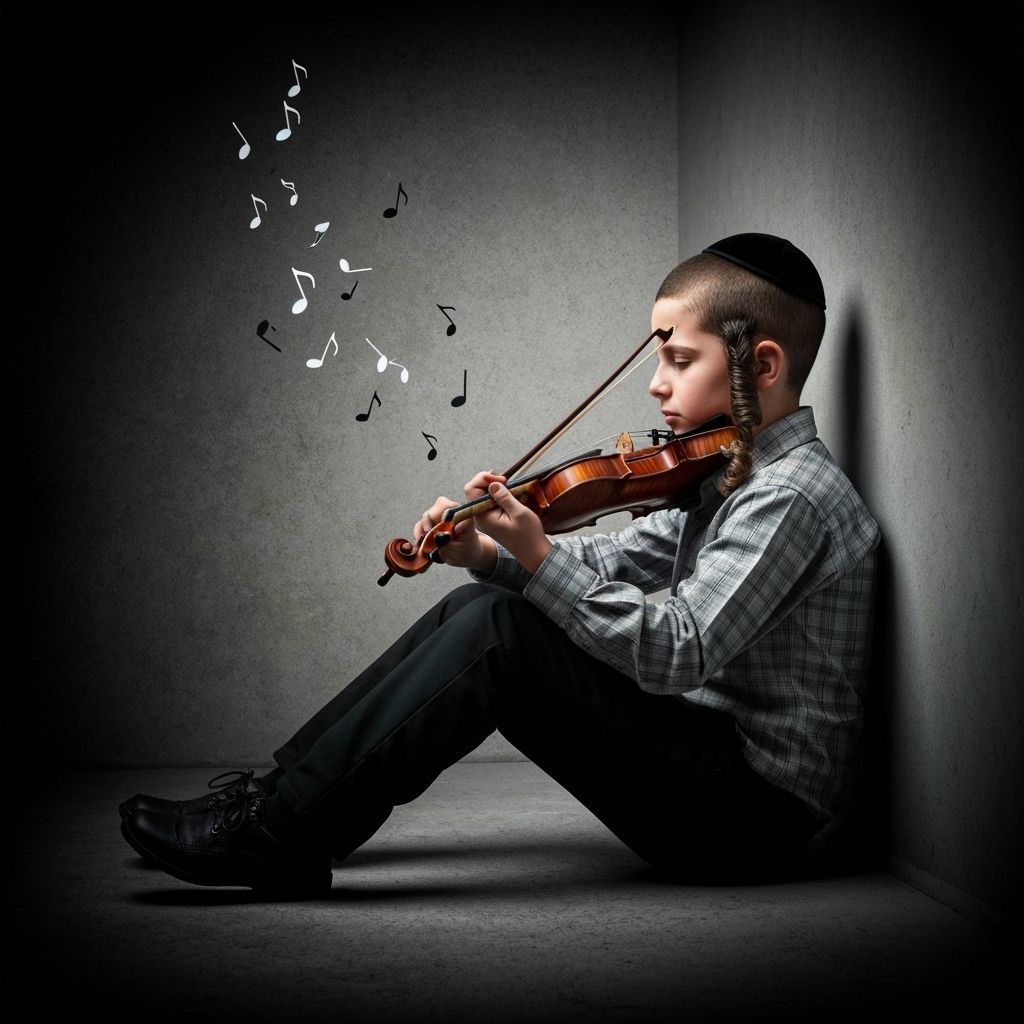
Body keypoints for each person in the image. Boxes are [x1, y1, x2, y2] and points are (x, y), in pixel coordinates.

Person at [120, 232, 880, 896]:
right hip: (711, 765)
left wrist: (538, 557)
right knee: (480, 607)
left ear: (765, 365)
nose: (657, 383)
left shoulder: (792, 498)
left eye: (679, 359)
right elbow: (617, 555)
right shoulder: (727, 476)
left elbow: (680, 649)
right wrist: (491, 552)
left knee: (500, 635)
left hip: (752, 817)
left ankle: (278, 832)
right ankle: (276, 800)